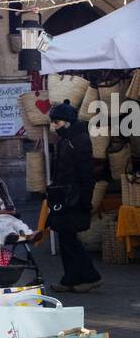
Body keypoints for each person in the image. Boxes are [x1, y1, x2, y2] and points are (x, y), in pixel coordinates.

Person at [46, 101, 101, 293]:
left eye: (57, 122)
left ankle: (90, 276)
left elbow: (87, 174)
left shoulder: (79, 140)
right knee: (64, 237)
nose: (54, 126)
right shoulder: (65, 139)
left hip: (74, 197)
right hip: (63, 196)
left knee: (70, 239)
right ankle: (70, 278)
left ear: (67, 122)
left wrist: (85, 201)